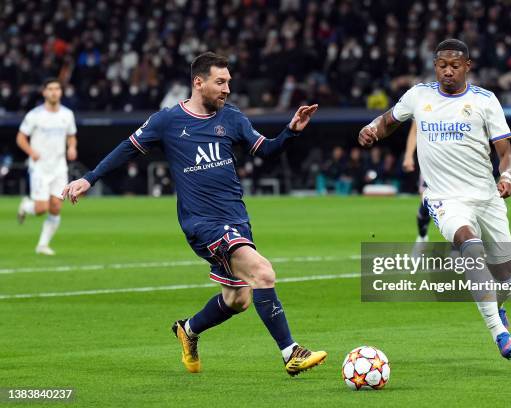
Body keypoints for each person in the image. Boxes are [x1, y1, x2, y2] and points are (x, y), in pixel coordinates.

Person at [63, 52, 327, 375]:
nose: (227, 88)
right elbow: (126, 148)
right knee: (263, 273)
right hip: (202, 224)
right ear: (198, 83)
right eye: (221, 82)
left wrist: (292, 130)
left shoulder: (233, 118)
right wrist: (89, 178)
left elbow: (267, 150)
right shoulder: (167, 121)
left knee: (237, 300)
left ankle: (188, 330)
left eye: (229, 82)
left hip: (236, 219)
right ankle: (291, 353)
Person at [358, 39, 511, 360]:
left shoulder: (485, 101)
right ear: (435, 66)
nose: (448, 71)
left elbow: (506, 154)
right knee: (470, 246)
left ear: (467, 67)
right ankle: (500, 334)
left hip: (486, 197)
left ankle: (498, 307)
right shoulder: (419, 96)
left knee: (506, 276)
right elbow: (388, 121)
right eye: (442, 65)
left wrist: (507, 177)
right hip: (444, 197)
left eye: (455, 66)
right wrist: (371, 129)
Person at [16, 78, 78, 256]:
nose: (54, 92)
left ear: (61, 92)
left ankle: (42, 245)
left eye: (57, 89)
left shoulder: (67, 114)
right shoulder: (34, 115)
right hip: (40, 167)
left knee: (56, 206)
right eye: (50, 89)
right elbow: (20, 138)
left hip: (59, 166)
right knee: (41, 209)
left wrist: (72, 147)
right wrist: (31, 151)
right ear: (44, 92)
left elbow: (71, 135)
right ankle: (26, 206)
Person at [402, 121, 431, 246]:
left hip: (456, 162)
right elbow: (414, 130)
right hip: (430, 163)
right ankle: (422, 236)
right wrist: (408, 156)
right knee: (426, 201)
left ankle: (458, 246)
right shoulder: (423, 103)